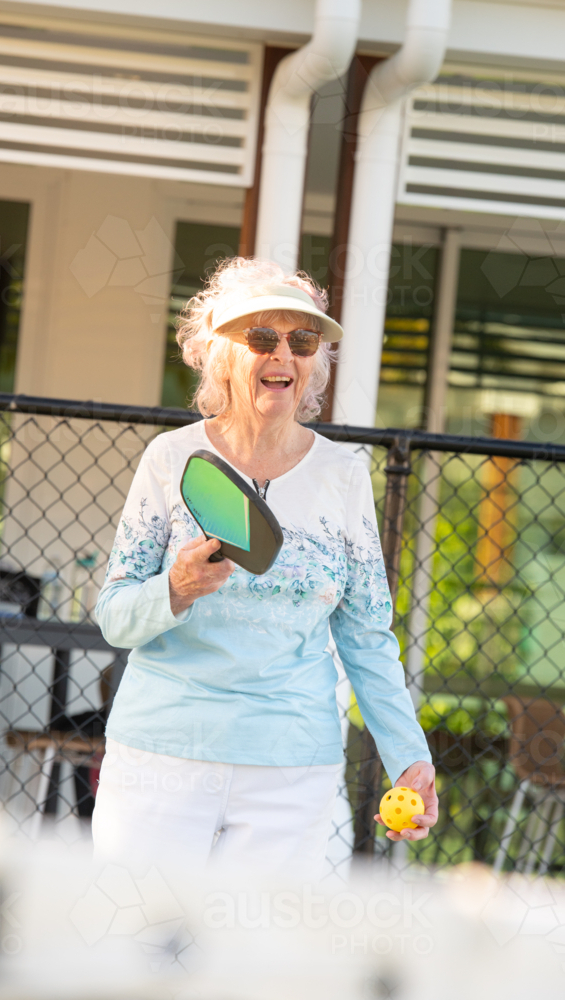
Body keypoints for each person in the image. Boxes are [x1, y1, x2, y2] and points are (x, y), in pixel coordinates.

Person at [93, 257, 437, 882]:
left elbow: (366, 635)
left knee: (252, 968)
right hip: (161, 757)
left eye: (301, 340)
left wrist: (409, 758)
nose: (283, 354)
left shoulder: (344, 475)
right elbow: (115, 617)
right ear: (220, 354)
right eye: (261, 337)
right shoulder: (169, 460)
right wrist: (173, 590)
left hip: (291, 769)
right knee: (131, 958)